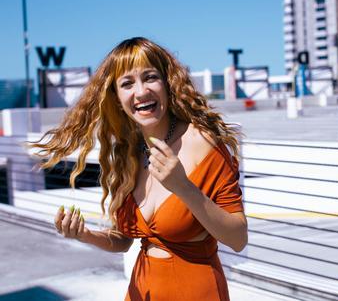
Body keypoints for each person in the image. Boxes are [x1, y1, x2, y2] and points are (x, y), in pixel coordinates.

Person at [30, 37, 248, 300]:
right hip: (141, 291)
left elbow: (238, 239)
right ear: (116, 97)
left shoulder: (202, 142)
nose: (141, 91)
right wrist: (85, 235)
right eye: (127, 83)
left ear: (167, 83)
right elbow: (124, 240)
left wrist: (183, 187)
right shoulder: (128, 152)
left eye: (150, 77)